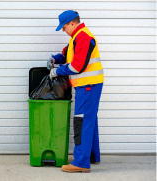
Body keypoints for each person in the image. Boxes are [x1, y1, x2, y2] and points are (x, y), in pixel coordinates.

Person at [47, 10, 104, 173]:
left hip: (88, 86)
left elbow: (77, 66)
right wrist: (55, 59)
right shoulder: (76, 38)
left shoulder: (84, 37)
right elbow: (67, 55)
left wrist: (57, 71)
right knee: (89, 121)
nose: (63, 31)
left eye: (64, 27)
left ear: (73, 23)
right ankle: (92, 156)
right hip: (88, 85)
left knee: (82, 122)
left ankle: (81, 163)